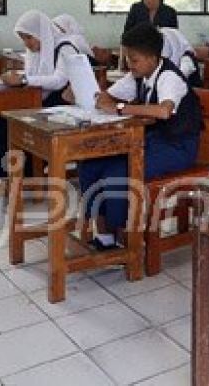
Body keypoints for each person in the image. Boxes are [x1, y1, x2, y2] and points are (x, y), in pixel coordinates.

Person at [81, 23, 201, 249]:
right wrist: (103, 98)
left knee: (119, 171)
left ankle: (122, 237)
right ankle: (104, 233)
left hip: (179, 146)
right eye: (127, 58)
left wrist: (120, 108)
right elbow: (107, 97)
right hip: (154, 141)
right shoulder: (138, 75)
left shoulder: (169, 77)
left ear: (154, 58)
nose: (129, 65)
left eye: (134, 60)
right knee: (92, 163)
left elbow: (164, 110)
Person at [0, 10, 78, 177]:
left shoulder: (64, 48)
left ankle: (5, 165)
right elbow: (32, 74)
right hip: (38, 99)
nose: (27, 43)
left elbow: (59, 80)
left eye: (29, 37)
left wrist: (24, 80)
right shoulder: (37, 51)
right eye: (23, 38)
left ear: (41, 33)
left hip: (59, 102)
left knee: (10, 119)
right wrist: (17, 76)